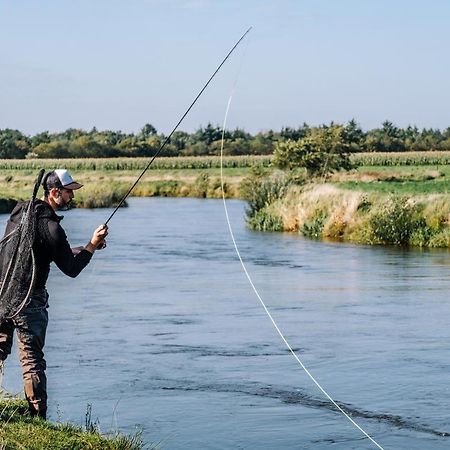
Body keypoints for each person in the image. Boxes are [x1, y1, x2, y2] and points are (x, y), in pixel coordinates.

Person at [0, 169, 108, 419]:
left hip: (3, 294)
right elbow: (70, 269)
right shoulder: (52, 228)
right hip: (30, 302)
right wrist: (91, 245)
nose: (72, 197)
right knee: (32, 362)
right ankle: (38, 417)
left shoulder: (20, 212)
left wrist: (85, 247)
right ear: (55, 192)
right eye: (69, 192)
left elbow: (45, 250)